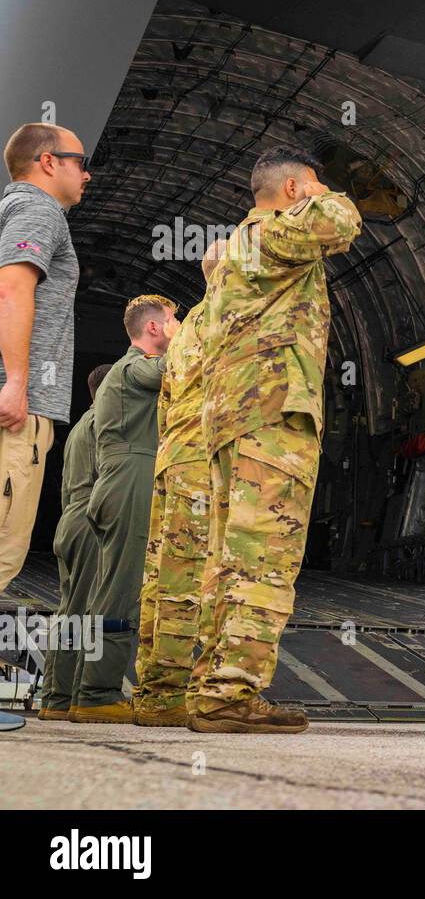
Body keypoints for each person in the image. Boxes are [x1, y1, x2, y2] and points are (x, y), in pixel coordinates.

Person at [186, 146, 361, 734]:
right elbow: (344, 220)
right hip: (270, 418)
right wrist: (325, 191)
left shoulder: (233, 252)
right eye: (308, 185)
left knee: (226, 560)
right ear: (291, 192)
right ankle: (231, 692)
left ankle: (209, 685)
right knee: (264, 556)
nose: (317, 193)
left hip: (232, 419)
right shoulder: (273, 235)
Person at [69, 295, 178, 723]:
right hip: (131, 477)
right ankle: (97, 693)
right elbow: (181, 367)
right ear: (153, 328)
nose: (177, 328)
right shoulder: (134, 367)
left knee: (109, 589)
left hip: (126, 477)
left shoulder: (126, 372)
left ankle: (85, 691)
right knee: (120, 590)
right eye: (172, 321)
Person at [132, 241, 223, 727]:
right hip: (199, 460)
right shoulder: (225, 318)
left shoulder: (184, 335)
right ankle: (169, 695)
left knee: (162, 577)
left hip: (174, 457)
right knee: (188, 580)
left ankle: (154, 690)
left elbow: (166, 404)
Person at [0, 123, 88, 591]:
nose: (87, 174)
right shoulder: (39, 211)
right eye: (80, 161)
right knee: (2, 549)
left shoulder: (11, 210)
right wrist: (16, 382)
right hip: (16, 412)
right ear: (48, 162)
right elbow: (11, 289)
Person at [36, 364, 112, 720]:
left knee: (71, 612)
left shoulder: (83, 423)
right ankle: (65, 697)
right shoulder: (104, 424)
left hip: (71, 521)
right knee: (82, 615)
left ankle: (57, 695)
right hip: (90, 523)